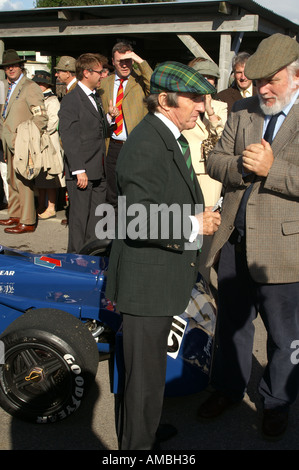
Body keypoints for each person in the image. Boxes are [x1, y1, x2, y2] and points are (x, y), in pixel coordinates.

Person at [106, 61, 221, 450]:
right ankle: (137, 447)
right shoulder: (146, 142)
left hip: (158, 279)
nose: (201, 107)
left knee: (150, 374)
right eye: (193, 98)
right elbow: (137, 220)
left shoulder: (167, 134)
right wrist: (194, 226)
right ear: (165, 99)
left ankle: (146, 431)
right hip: (146, 284)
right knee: (143, 379)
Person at [198, 33, 299, 440]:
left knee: (284, 333)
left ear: (296, 75)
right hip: (235, 242)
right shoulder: (241, 110)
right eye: (258, 81)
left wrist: (270, 170)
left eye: (272, 80)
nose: (263, 89)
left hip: (285, 247)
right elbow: (214, 160)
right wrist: (242, 166)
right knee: (232, 326)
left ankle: (277, 401)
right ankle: (227, 389)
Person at [58, 53, 118, 253]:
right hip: (83, 171)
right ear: (86, 72)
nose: (103, 75)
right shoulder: (72, 100)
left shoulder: (96, 97)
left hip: (99, 169)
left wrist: (109, 118)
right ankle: (74, 263)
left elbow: (95, 131)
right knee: (79, 222)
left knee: (96, 221)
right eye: (100, 72)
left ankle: (92, 258)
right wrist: (78, 170)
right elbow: (69, 137)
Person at [183, 58, 227, 283]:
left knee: (206, 235)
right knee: (189, 230)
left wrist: (211, 113)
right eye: (202, 78)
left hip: (211, 180)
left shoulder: (220, 108)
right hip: (187, 173)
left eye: (211, 79)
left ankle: (201, 282)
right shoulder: (183, 104)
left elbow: (224, 142)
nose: (207, 83)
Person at [0, 49, 48, 234]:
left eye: (14, 65)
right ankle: (16, 214)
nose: (10, 69)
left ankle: (27, 220)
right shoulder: (5, 87)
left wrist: (27, 139)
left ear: (21, 66)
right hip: (8, 141)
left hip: (23, 143)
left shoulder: (30, 87)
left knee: (23, 181)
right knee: (11, 179)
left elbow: (41, 117)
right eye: (7, 66)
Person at [100, 42, 152, 210]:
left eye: (128, 60)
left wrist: (140, 61)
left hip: (135, 147)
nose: (124, 64)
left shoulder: (140, 81)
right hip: (113, 146)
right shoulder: (105, 83)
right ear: (113, 62)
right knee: (112, 194)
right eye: (120, 61)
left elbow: (155, 85)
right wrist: (109, 117)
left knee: (134, 193)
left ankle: (132, 232)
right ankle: (112, 234)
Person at [32, 70, 65, 220]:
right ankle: (41, 204)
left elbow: (53, 123)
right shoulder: (38, 99)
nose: (38, 85)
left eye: (40, 83)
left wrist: (37, 130)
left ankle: (51, 206)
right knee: (40, 176)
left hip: (49, 142)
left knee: (51, 175)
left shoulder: (52, 100)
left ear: (46, 84)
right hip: (38, 141)